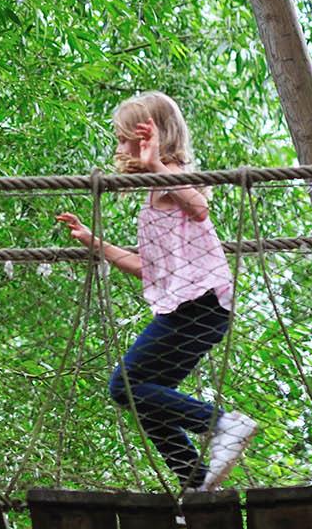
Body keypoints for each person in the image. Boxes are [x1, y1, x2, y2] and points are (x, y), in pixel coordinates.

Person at [55, 91, 257, 491]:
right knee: (146, 398)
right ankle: (196, 482)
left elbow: (199, 206)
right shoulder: (156, 191)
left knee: (124, 386)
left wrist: (156, 163)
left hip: (200, 307)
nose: (118, 148)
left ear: (149, 136)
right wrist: (95, 243)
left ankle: (222, 424)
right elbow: (148, 269)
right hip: (188, 311)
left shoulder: (175, 176)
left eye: (121, 138)